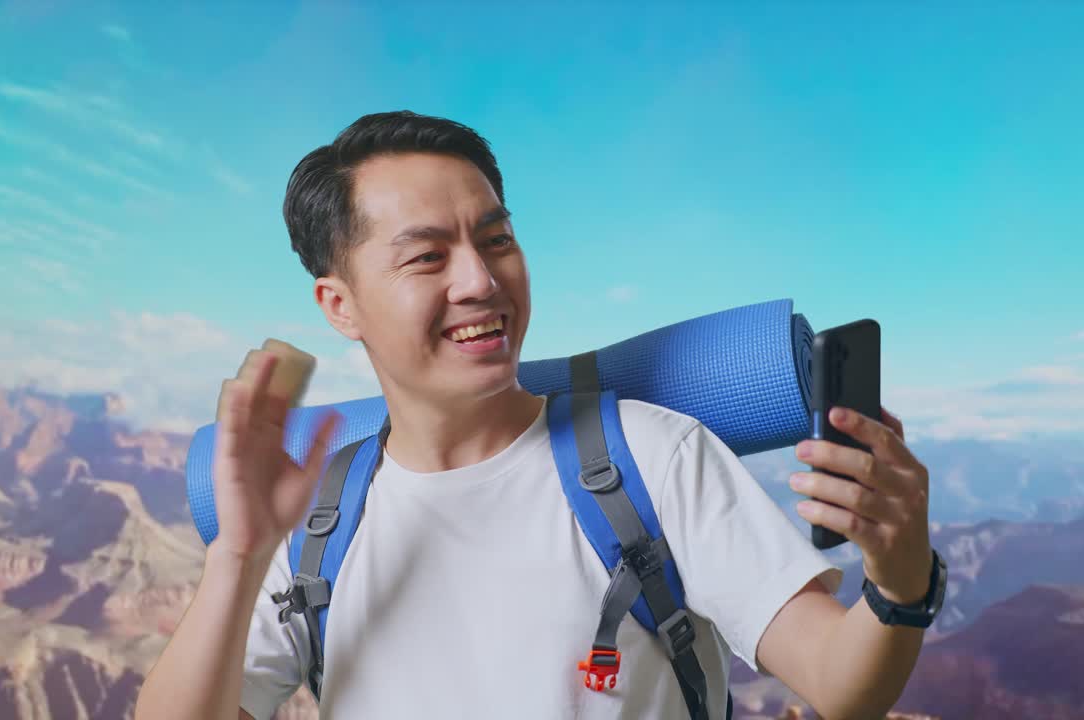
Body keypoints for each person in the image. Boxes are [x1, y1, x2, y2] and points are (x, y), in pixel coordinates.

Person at [135, 111, 940, 720]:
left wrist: (900, 582)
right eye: (426, 257)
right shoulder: (313, 521)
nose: (481, 281)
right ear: (340, 305)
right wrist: (238, 556)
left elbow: (839, 681)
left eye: (497, 240)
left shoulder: (653, 458)